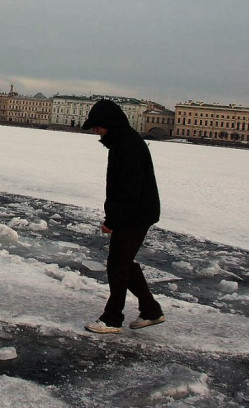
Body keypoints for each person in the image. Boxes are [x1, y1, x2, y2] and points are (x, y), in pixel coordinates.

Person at [81, 99, 165, 334]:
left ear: (109, 123)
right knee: (123, 262)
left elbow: (128, 189)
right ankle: (151, 311)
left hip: (135, 214)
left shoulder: (126, 145)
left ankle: (112, 318)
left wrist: (112, 221)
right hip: (137, 212)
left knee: (118, 265)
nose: (96, 131)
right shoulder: (123, 142)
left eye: (98, 126)